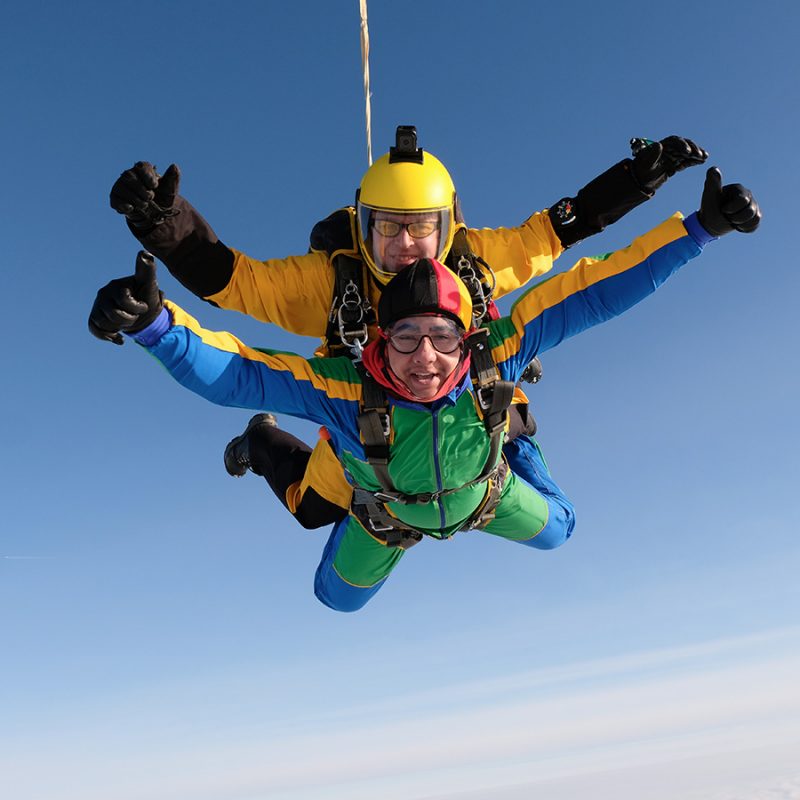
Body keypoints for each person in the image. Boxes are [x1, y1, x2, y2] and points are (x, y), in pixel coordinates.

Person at [89, 167, 760, 611]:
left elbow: (593, 283)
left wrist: (698, 229)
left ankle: (517, 451)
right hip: (386, 503)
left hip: (482, 486)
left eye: (443, 340)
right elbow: (239, 366)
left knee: (560, 529)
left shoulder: (491, 321)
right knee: (330, 577)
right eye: (404, 339)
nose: (425, 360)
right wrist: (156, 324)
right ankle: (265, 443)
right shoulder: (344, 376)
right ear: (377, 337)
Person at [101, 127, 709, 532]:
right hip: (364, 420)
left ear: (448, 227)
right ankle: (261, 442)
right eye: (386, 228)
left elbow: (561, 230)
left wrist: (640, 177)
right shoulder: (331, 282)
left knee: (517, 425)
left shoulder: (473, 260)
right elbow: (235, 283)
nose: (406, 246)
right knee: (313, 511)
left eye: (422, 227)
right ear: (362, 227)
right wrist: (167, 227)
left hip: (463, 395)